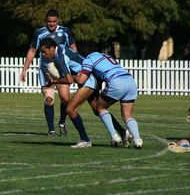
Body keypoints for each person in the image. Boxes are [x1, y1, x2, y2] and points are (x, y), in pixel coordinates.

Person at [40, 38, 132, 148]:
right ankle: (123, 133)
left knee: (70, 109)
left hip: (88, 78)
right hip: (91, 77)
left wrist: (55, 81)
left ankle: (85, 139)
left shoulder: (60, 58)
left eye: (44, 52)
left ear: (51, 48)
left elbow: (69, 80)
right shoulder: (59, 48)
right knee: (98, 110)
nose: (43, 54)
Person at [20, 9, 77, 137]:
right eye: (49, 21)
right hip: (45, 69)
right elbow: (32, 50)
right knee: (49, 99)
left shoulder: (65, 31)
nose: (51, 24)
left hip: (61, 69)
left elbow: (73, 47)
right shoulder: (39, 33)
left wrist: (73, 65)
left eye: (54, 21)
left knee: (65, 99)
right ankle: (51, 130)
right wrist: (25, 69)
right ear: (46, 21)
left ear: (58, 20)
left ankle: (62, 122)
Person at [73, 52, 143, 148]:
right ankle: (137, 139)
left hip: (116, 82)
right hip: (130, 81)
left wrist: (71, 76)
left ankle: (114, 136)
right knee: (127, 115)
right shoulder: (106, 56)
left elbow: (82, 79)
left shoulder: (88, 59)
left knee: (100, 108)